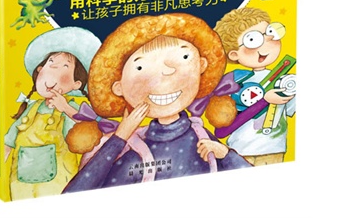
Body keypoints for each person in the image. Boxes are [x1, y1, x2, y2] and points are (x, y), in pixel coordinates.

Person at [63, 13, 251, 193]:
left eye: (184, 57)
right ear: (119, 87)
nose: (167, 71)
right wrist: (120, 136)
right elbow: (76, 193)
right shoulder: (133, 150)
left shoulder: (200, 135)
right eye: (140, 67)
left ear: (202, 64)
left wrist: (225, 154)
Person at [4, 27, 101, 200]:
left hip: (58, 184)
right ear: (39, 70)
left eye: (65, 66)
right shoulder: (31, 108)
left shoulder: (72, 109)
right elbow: (9, 140)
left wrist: (65, 109)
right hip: (21, 184)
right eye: (51, 63)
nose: (53, 70)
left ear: (77, 84)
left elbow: (83, 138)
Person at [214, 7, 296, 165]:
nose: (267, 42)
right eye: (252, 40)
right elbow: (222, 130)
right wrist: (265, 101)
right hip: (241, 149)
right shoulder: (232, 81)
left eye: (270, 33)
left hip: (274, 148)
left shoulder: (285, 78)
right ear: (234, 54)